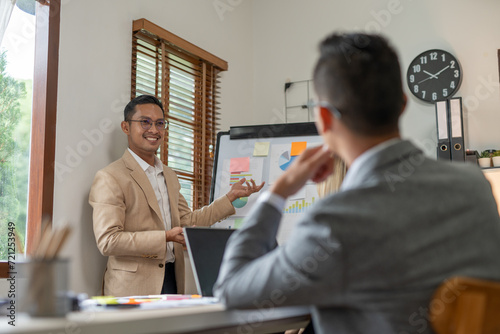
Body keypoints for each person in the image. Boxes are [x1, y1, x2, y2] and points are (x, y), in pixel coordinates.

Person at [214, 33, 500, 334]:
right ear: (402, 105)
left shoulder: (336, 221)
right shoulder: (475, 187)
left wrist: (277, 192)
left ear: (323, 118)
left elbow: (232, 288)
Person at [89, 95, 264, 297]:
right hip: (132, 288)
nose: (154, 130)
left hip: (172, 278)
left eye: (160, 123)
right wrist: (165, 237)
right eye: (145, 122)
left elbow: (187, 221)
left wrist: (230, 197)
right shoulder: (110, 177)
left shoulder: (169, 175)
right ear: (126, 127)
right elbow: (108, 241)